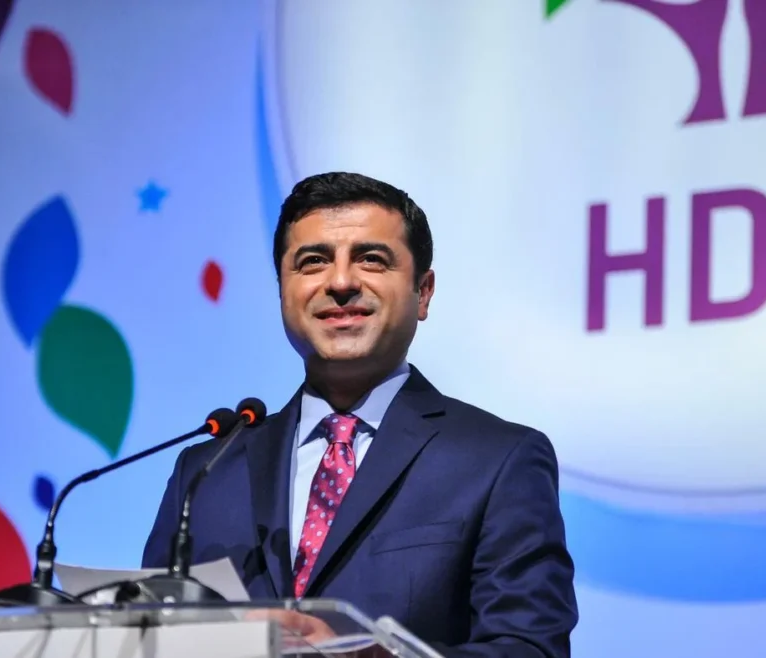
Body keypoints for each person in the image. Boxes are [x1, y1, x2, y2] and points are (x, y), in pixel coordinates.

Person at [142, 172, 578, 656]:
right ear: (282, 289)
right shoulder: (206, 472)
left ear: (423, 292)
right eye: (313, 262)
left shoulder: (498, 460)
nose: (341, 282)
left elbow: (531, 648)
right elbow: (146, 637)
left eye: (371, 259)